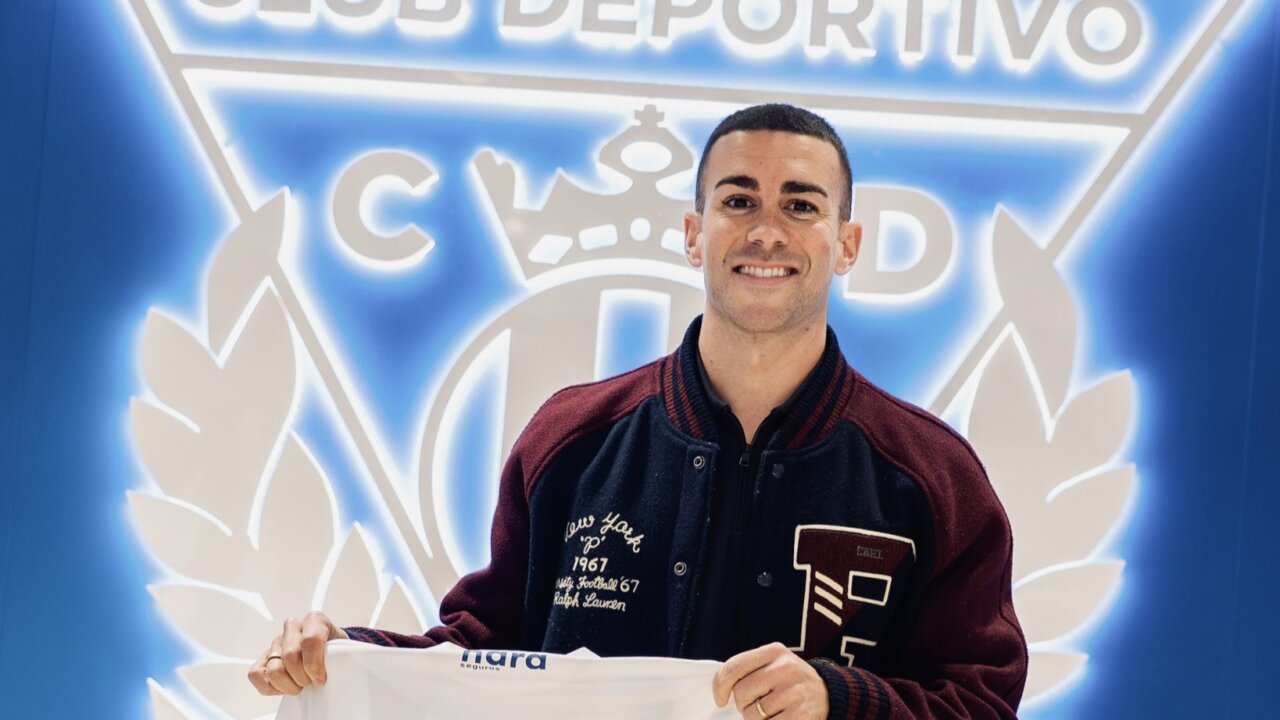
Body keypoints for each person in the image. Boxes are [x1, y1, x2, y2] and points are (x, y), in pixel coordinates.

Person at [248, 104, 1028, 719]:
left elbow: (983, 699)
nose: (765, 229)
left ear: (847, 243)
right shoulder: (572, 441)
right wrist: (345, 653)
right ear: (694, 234)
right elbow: (485, 651)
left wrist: (841, 700)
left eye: (800, 204)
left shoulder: (932, 477)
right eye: (737, 200)